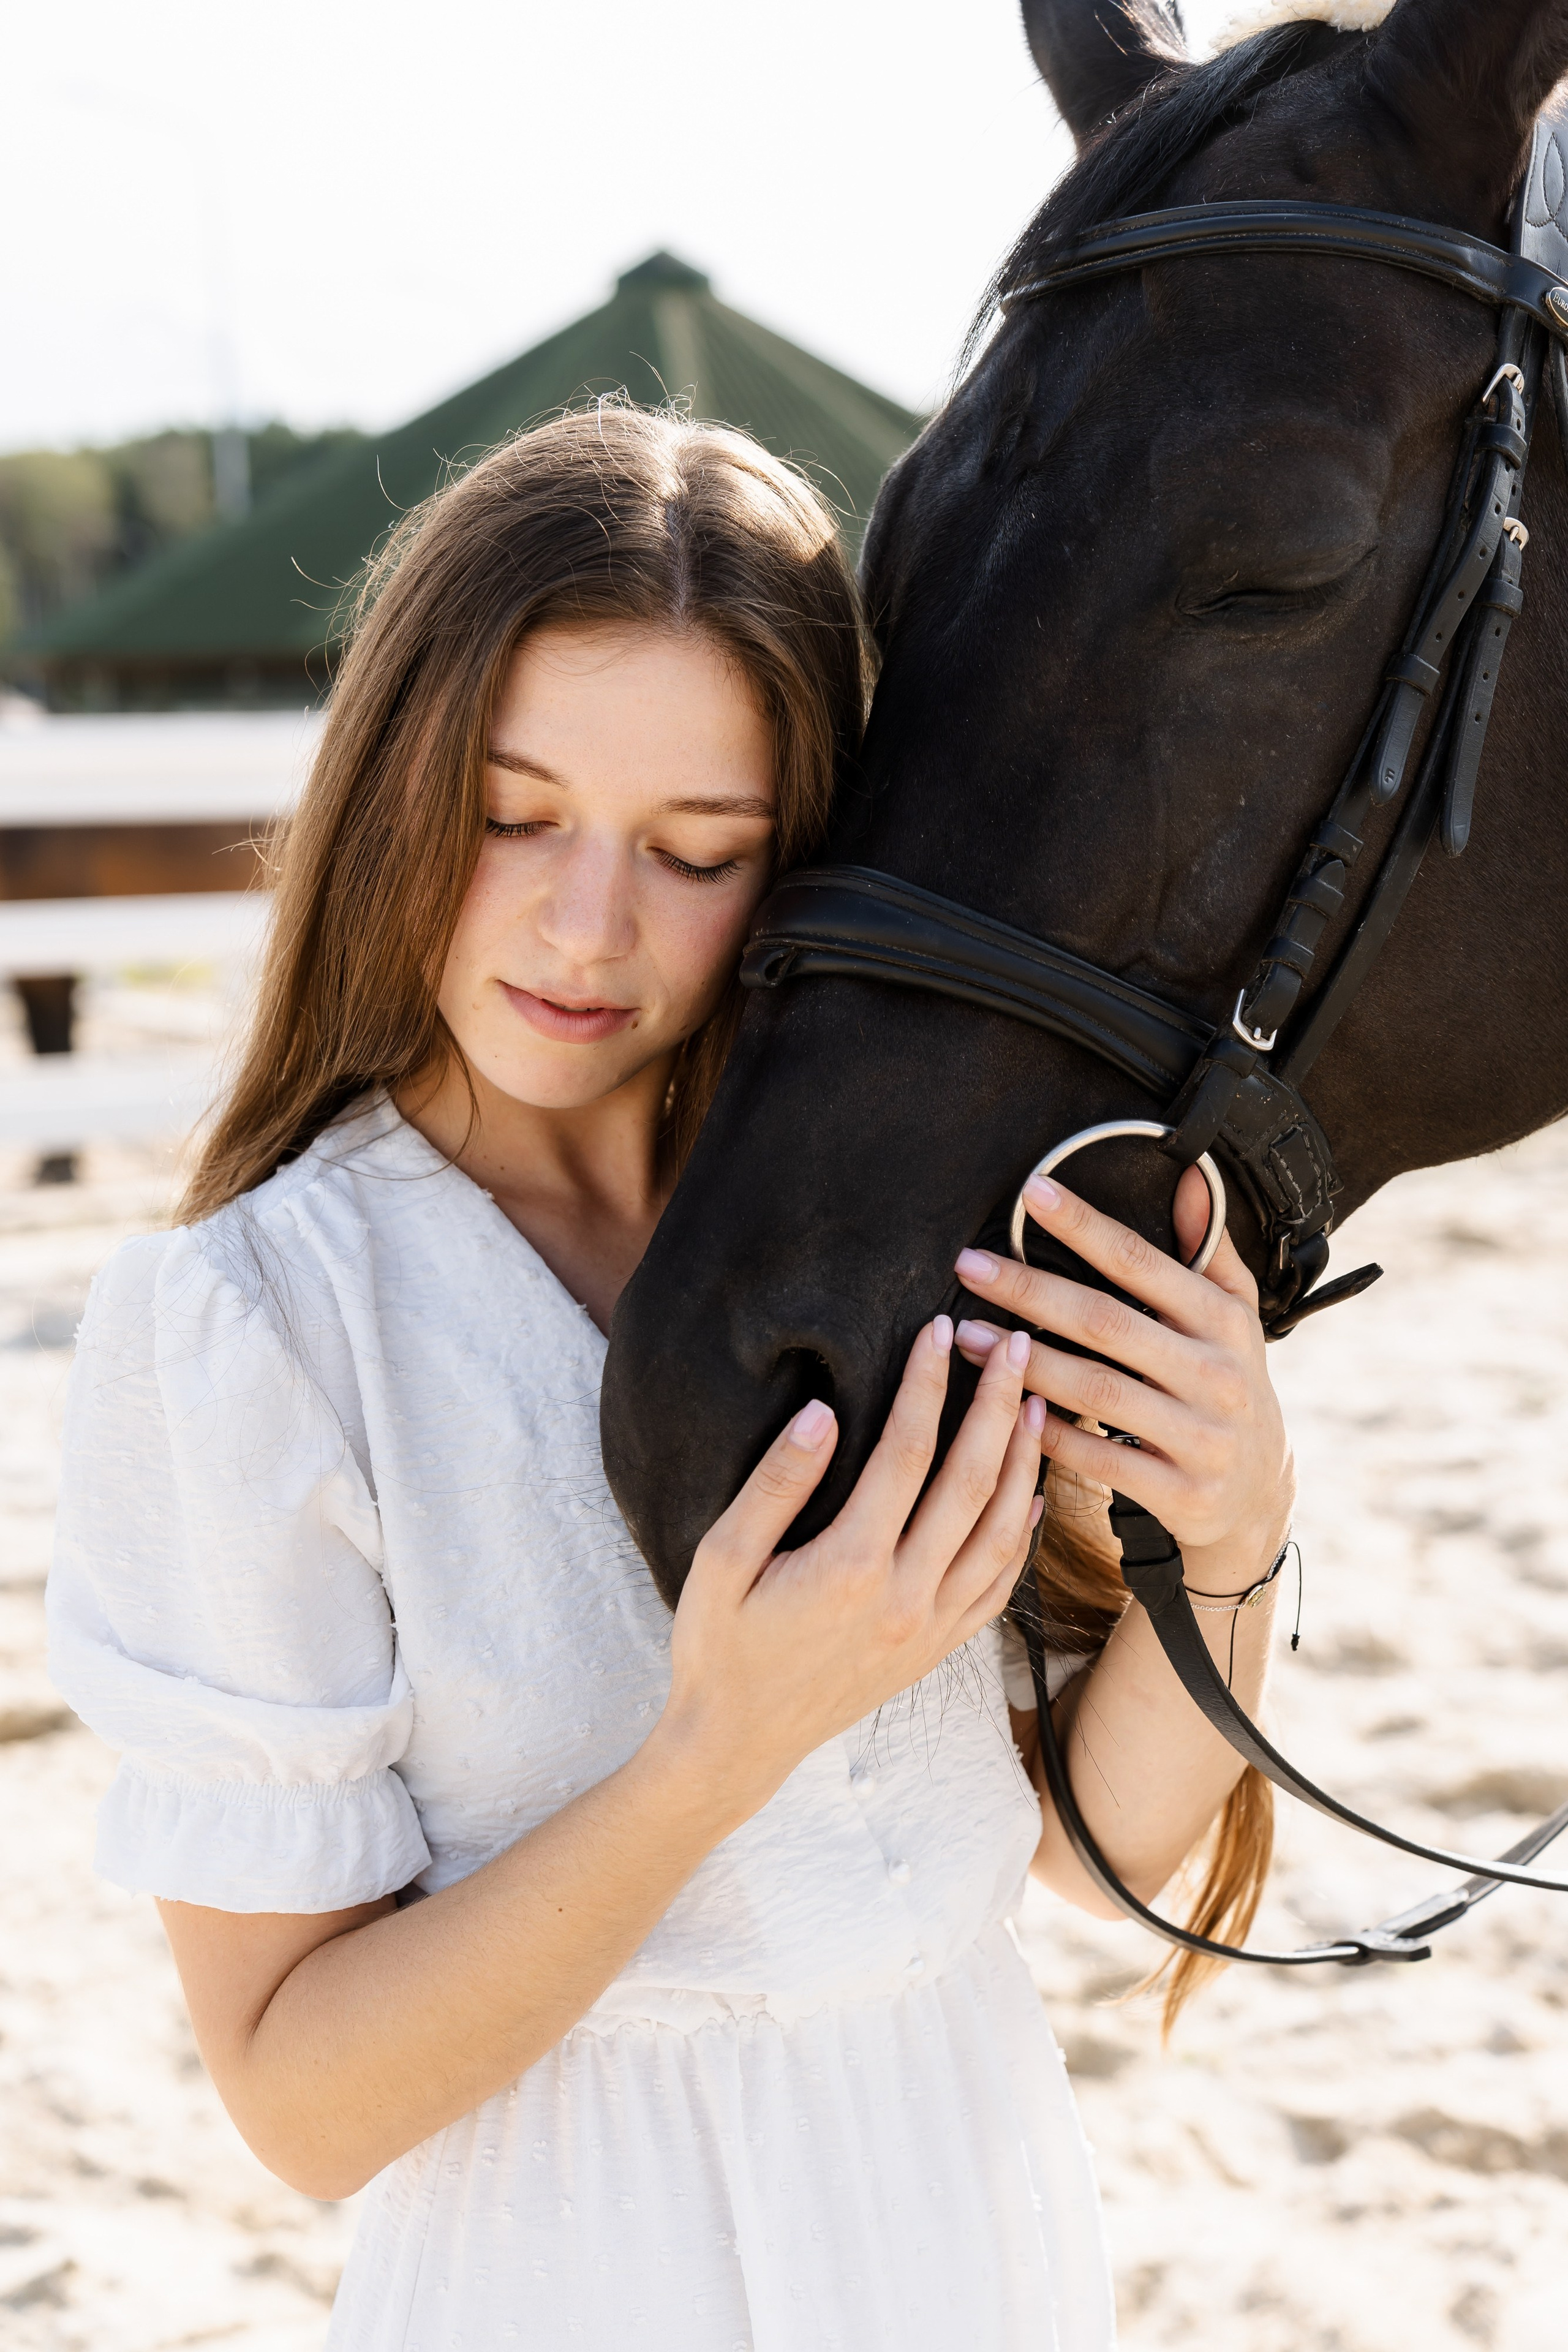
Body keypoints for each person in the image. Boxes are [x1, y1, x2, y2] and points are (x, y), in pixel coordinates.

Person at [48, 404, 1292, 2351]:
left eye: (699, 851)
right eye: (512, 815)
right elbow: (302, 2105)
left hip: (984, 2239)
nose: (587, 926)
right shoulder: (256, 1325)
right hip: (581, 2279)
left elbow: (1076, 1845)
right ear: (392, 785)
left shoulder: (892, 1226)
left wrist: (1234, 1532)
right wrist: (716, 1751)